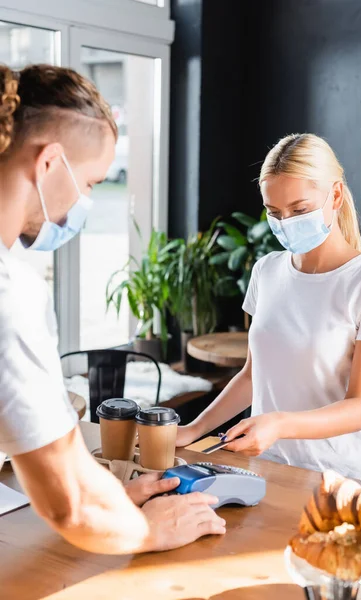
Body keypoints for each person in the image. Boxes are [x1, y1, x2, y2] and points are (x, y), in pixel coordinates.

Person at [0, 64, 225, 554]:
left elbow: (59, 465)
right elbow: (69, 506)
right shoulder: (9, 294)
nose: (86, 201)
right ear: (49, 164)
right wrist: (148, 530)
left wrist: (110, 498)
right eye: (91, 183)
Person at [177, 133, 361, 485]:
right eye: (274, 212)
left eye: (300, 210)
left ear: (336, 195)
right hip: (269, 468)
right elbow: (253, 376)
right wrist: (193, 429)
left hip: (343, 477)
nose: (286, 222)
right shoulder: (266, 270)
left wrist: (279, 423)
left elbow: (360, 407)